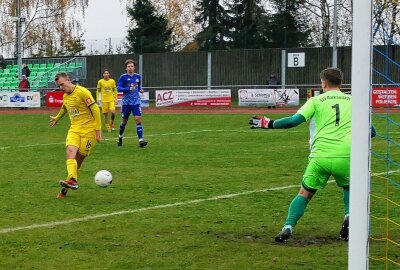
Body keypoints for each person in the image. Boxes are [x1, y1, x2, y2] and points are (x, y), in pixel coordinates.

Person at [249, 67, 376, 242]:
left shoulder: (316, 101)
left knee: (305, 193)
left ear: (323, 82)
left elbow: (294, 121)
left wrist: (268, 123)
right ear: (341, 82)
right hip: (347, 155)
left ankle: (288, 227)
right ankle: (349, 216)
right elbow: (372, 132)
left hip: (320, 155)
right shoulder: (354, 101)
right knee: (349, 187)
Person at [49, 72, 102, 199]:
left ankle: (65, 188)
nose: (61, 88)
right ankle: (72, 180)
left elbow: (95, 109)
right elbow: (64, 108)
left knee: (78, 160)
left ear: (68, 80)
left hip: (89, 131)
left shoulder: (83, 92)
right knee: (70, 151)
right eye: (59, 86)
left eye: (62, 84)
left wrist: (98, 130)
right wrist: (57, 118)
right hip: (74, 129)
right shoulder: (66, 96)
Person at [116, 59, 148, 148]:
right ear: (126, 68)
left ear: (134, 67)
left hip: (136, 102)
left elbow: (138, 86)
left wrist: (140, 90)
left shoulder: (138, 76)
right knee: (124, 121)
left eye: (132, 66)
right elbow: (118, 88)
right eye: (129, 66)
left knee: (138, 119)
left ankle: (141, 140)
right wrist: (127, 89)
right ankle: (120, 137)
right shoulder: (123, 77)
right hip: (126, 103)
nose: (130, 68)